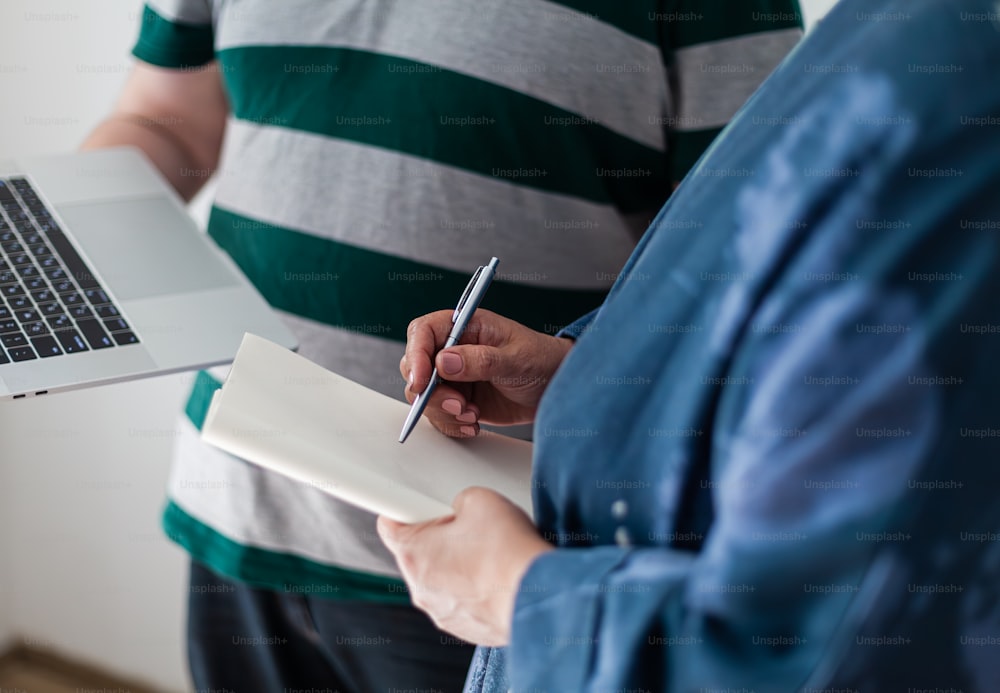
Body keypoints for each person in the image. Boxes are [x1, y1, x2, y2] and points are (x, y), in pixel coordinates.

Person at [83, 1, 803, 690]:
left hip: (487, 566)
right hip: (236, 498)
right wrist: (43, 237)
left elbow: (747, 280)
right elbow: (166, 122)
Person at [386, 0, 1000, 690]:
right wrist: (592, 376)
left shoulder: (963, 91)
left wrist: (519, 597)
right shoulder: (901, 30)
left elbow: (824, 650)